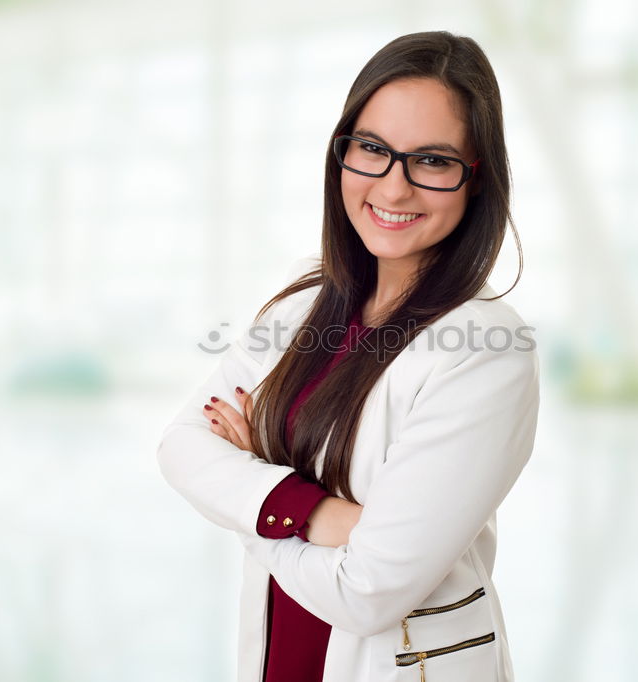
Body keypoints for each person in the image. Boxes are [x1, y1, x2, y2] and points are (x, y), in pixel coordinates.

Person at [157, 30, 540, 682]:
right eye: (372, 149)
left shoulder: (484, 348)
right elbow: (182, 447)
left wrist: (256, 500)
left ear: (477, 181)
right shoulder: (303, 311)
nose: (393, 190)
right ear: (342, 154)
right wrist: (316, 515)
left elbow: (371, 589)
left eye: (434, 161)